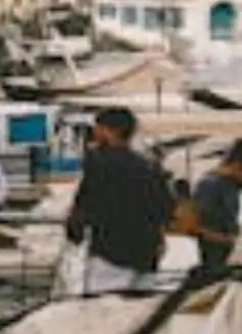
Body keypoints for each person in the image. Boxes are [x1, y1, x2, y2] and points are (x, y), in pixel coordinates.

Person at [65, 106, 175, 295]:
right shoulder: (150, 166)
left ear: (109, 130)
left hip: (110, 255)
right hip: (146, 257)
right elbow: (167, 210)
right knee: (139, 314)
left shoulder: (98, 162)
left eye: (98, 129)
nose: (95, 134)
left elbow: (83, 205)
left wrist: (75, 233)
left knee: (101, 313)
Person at [190, 140, 242, 271]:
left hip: (228, 258)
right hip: (214, 262)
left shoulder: (232, 185)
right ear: (236, 165)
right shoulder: (210, 185)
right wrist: (229, 240)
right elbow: (194, 227)